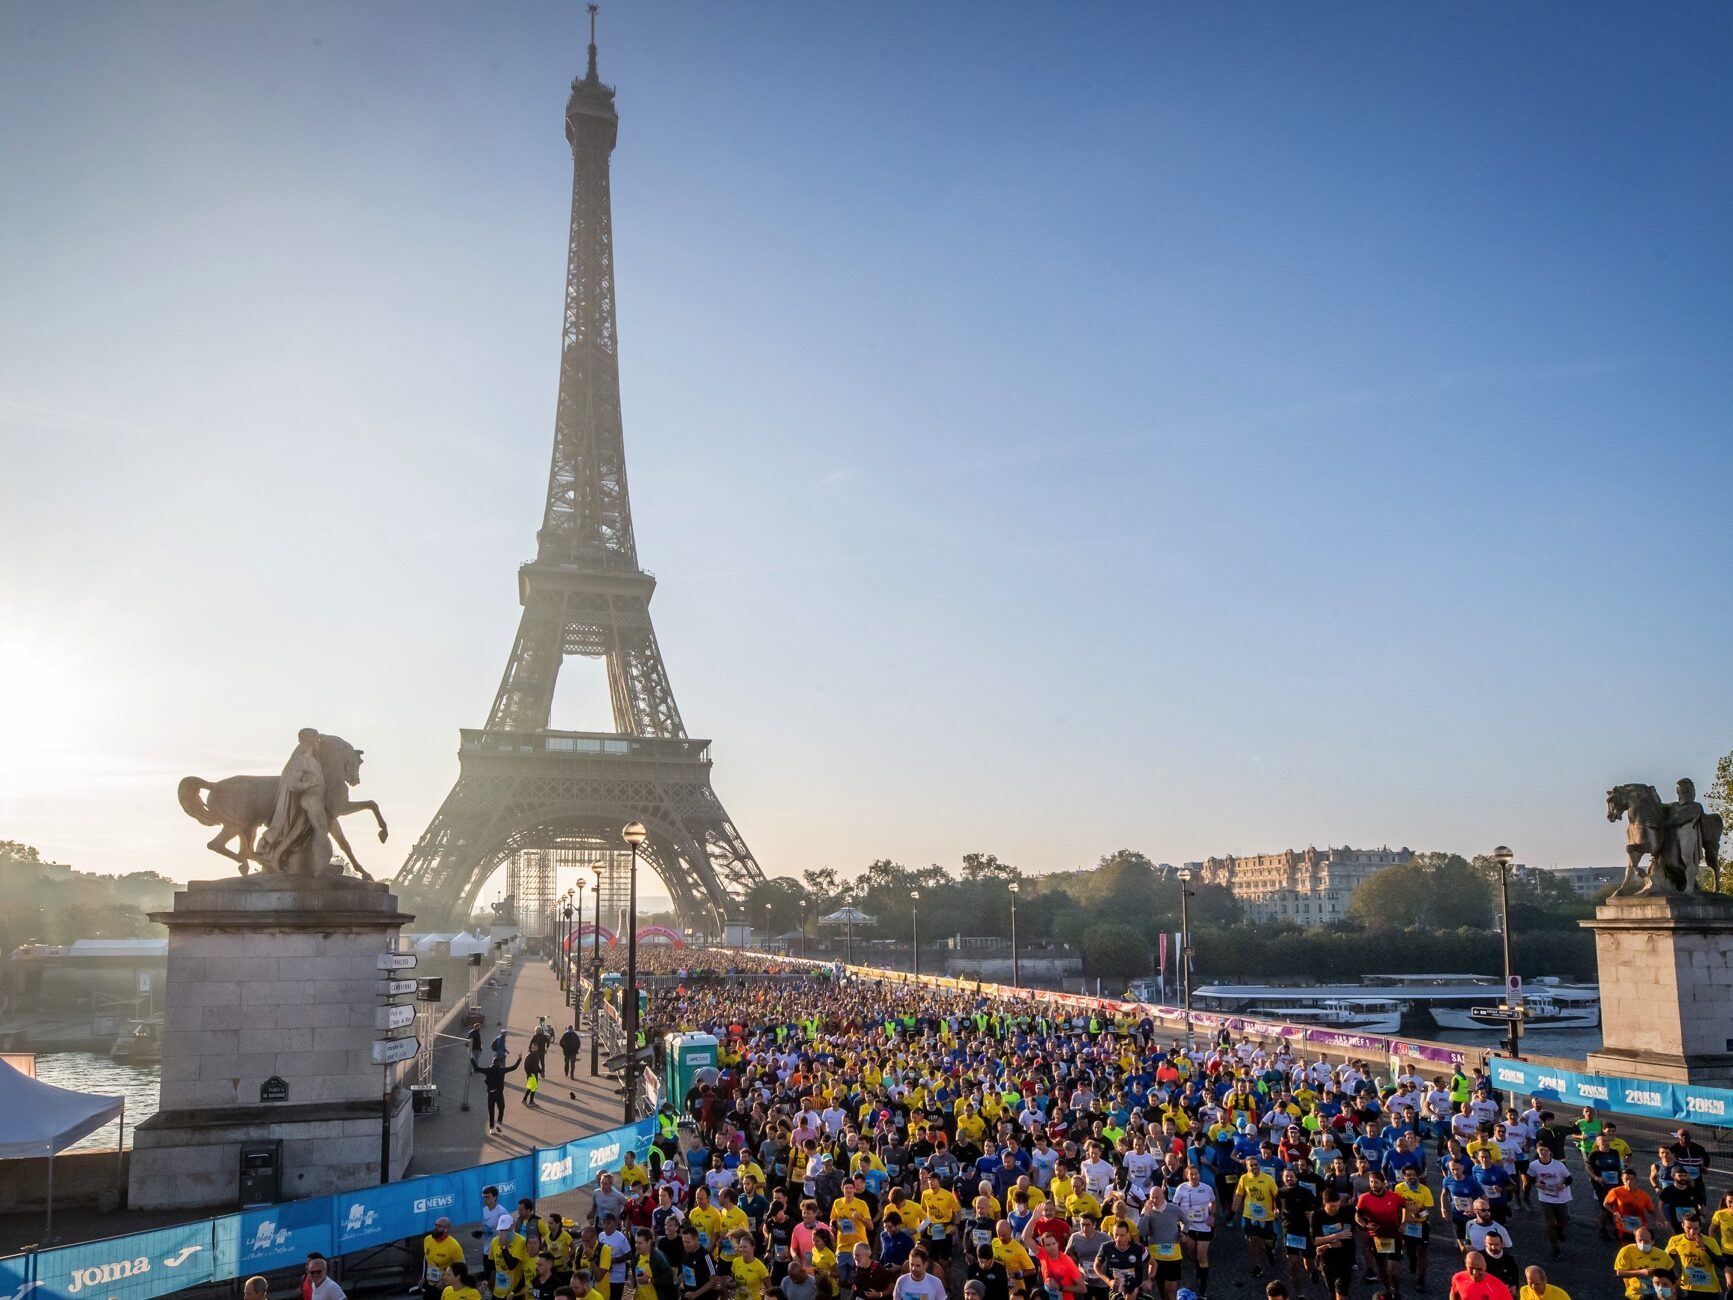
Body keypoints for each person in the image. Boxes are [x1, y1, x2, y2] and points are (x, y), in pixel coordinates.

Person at [1614, 1225, 1677, 1299]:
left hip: (1657, 1295)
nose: (1643, 1243)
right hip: (1637, 1295)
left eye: (1646, 1241)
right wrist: (1640, 1272)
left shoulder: (1662, 1255)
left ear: (1653, 1241)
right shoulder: (1626, 1251)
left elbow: (1673, 1276)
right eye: (1640, 1240)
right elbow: (1619, 1273)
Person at [473, 1051, 522, 1134]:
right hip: (499, 1094)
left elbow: (476, 1068)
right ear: (499, 1063)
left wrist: (471, 1057)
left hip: (490, 1094)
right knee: (501, 1108)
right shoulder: (502, 1070)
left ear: (492, 1063)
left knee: (491, 1111)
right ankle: (499, 1124)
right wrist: (519, 1058)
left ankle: (491, 1128)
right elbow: (514, 1067)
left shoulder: (488, 1070)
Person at [423, 1218, 466, 1300]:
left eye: (439, 1226)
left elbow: (462, 1268)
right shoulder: (427, 1240)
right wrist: (423, 1277)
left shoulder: (454, 1246)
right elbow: (426, 1259)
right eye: (435, 1225)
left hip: (445, 1287)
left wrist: (444, 1281)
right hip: (429, 1284)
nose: (435, 1228)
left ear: (446, 1229)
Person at [1448, 1251, 1512, 1300]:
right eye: (1471, 1268)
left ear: (1485, 1267)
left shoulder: (1499, 1286)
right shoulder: (1458, 1278)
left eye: (1479, 1269)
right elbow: (1453, 1293)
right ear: (1466, 1265)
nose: (1475, 1273)